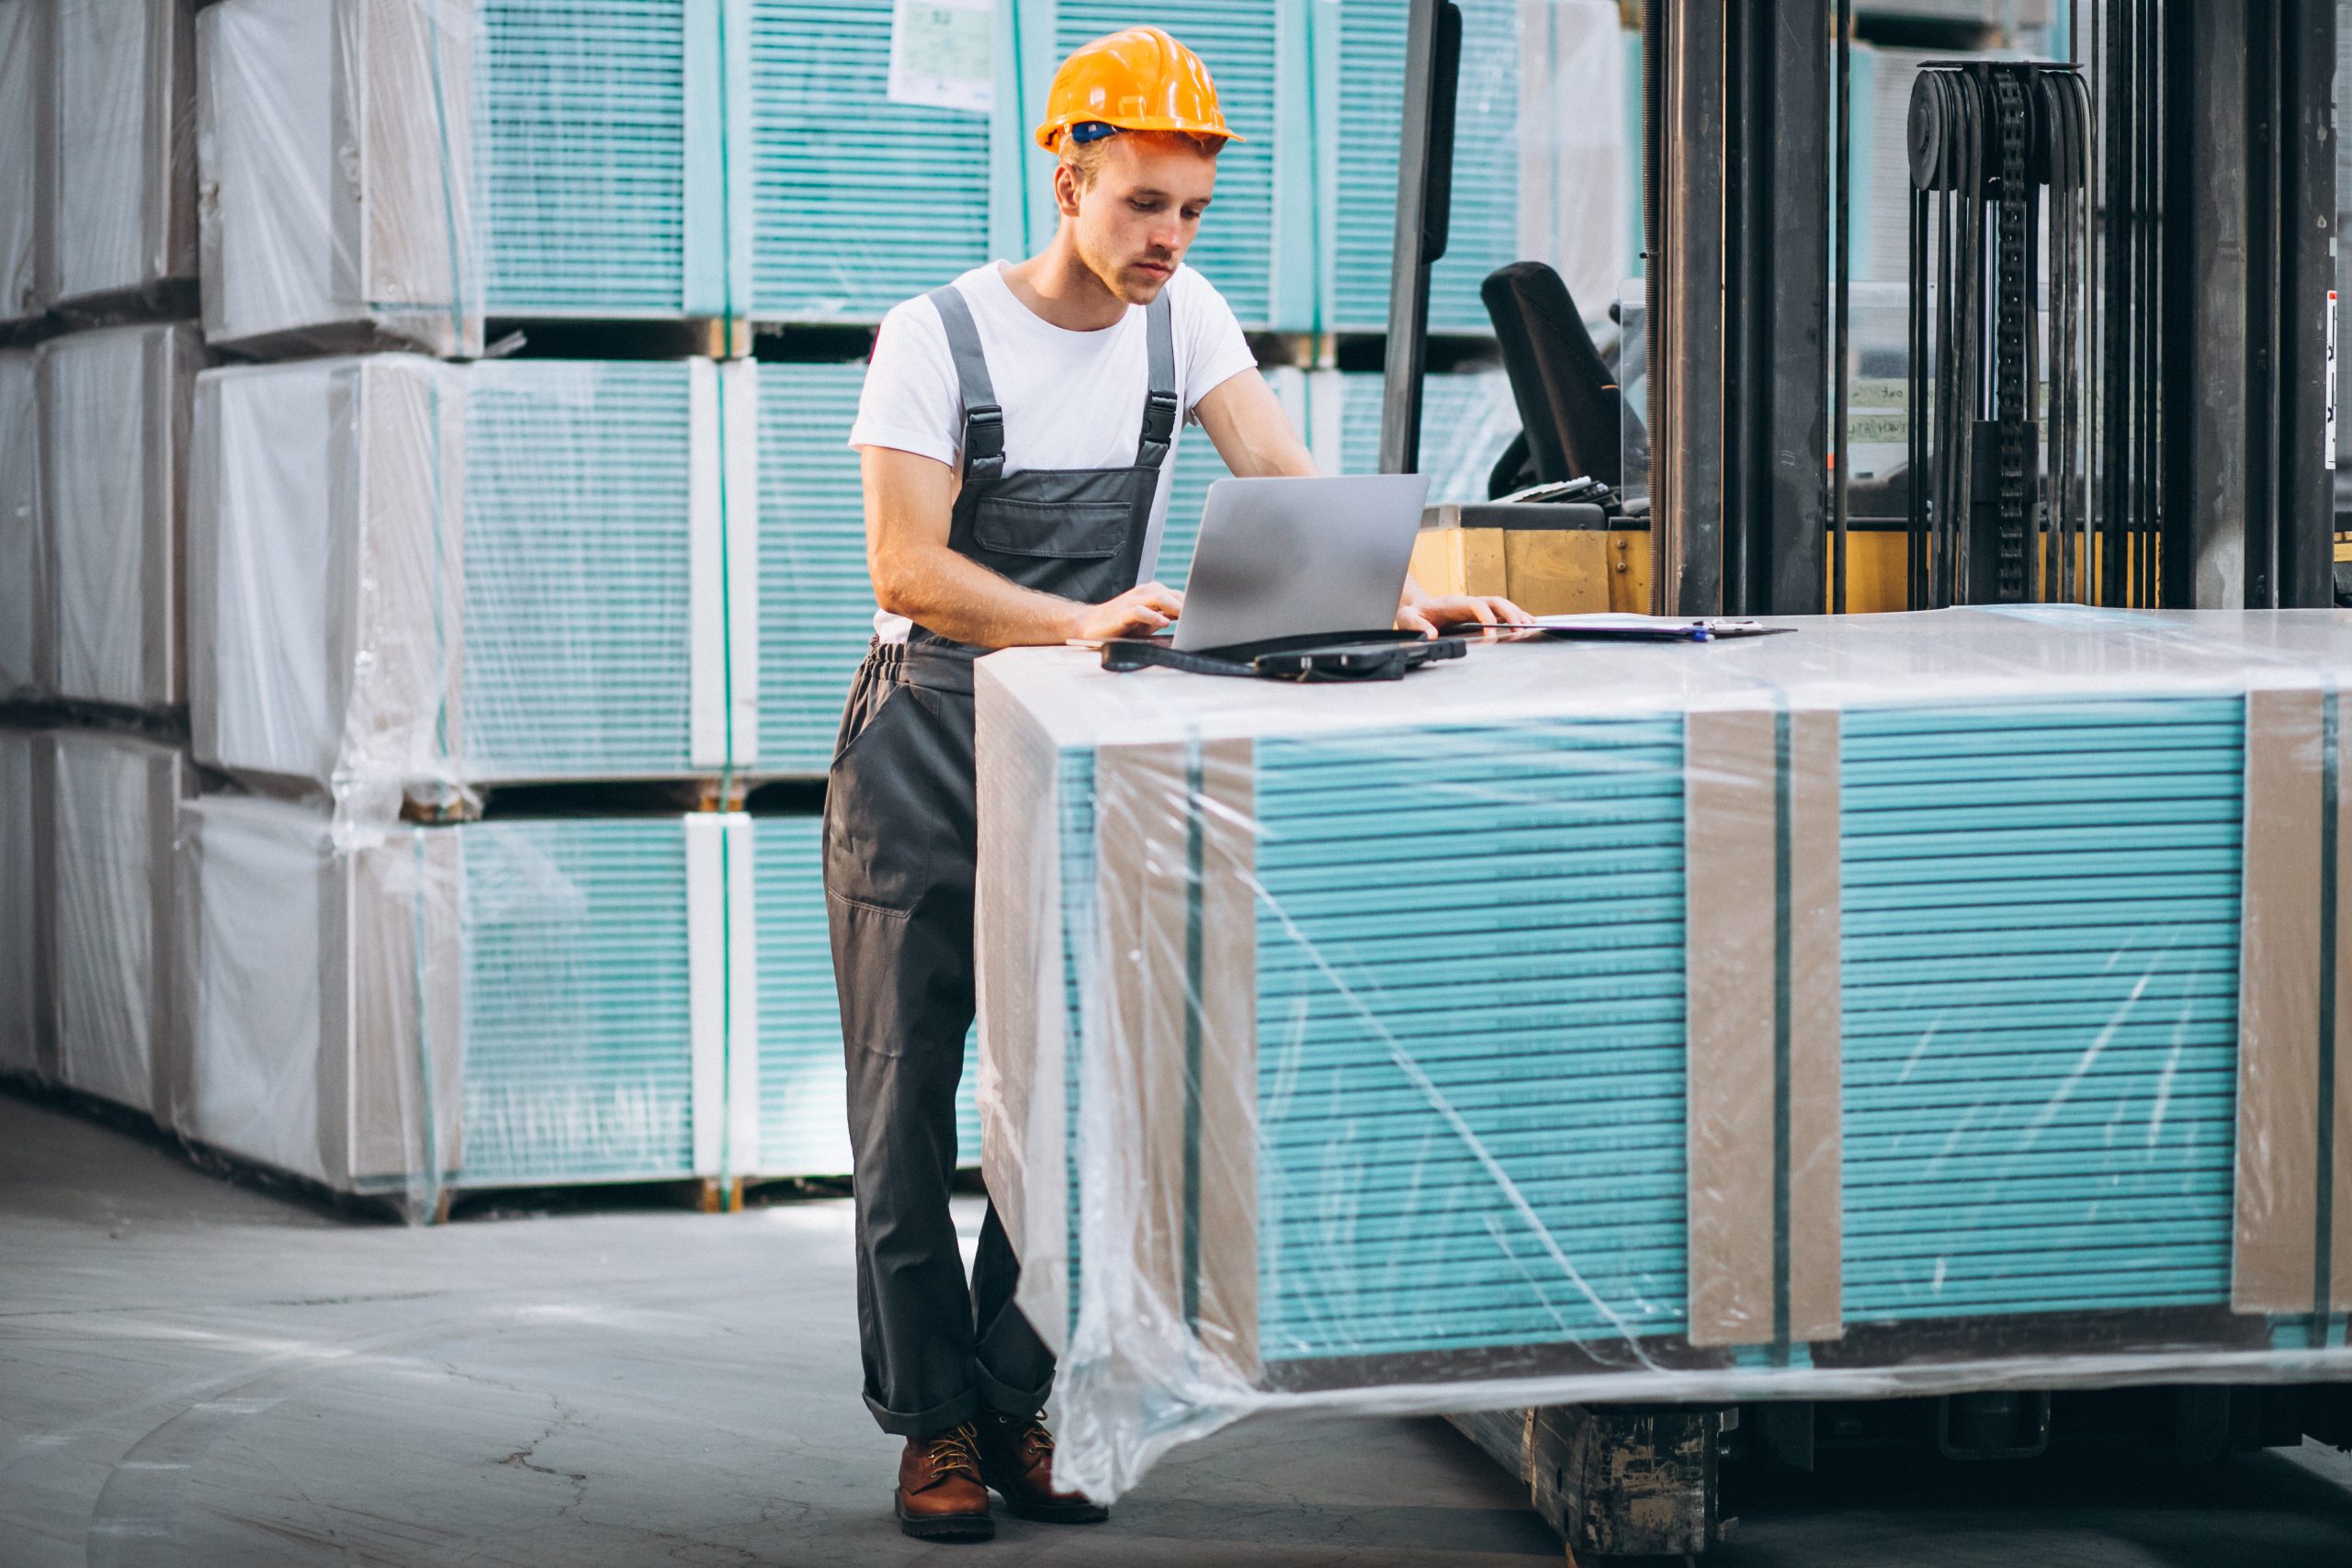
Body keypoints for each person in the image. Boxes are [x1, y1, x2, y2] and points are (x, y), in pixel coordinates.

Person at [827, 23, 1528, 1542]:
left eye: (1193, 210)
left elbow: (1286, 489)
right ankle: (931, 1423)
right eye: (1142, 201)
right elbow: (906, 566)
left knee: (1076, 1100)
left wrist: (1408, 598)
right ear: (1067, 175)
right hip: (930, 737)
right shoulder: (934, 336)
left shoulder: (1183, 320)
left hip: (1078, 744)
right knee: (911, 1102)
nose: (1169, 238)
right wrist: (1076, 614)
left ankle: (1017, 1399)